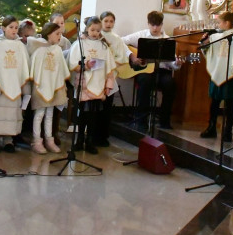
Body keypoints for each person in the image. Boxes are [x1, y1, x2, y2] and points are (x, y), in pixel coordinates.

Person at [65, 16, 116, 155]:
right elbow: (73, 64)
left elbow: (110, 68)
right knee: (82, 115)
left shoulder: (103, 46)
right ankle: (79, 139)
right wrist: (85, 65)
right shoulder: (80, 44)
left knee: (93, 115)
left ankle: (90, 141)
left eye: (98, 30)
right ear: (87, 29)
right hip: (84, 84)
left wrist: (108, 85)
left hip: (98, 83)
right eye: (92, 30)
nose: (95, 33)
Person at [123, 11, 180, 130]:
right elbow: (121, 41)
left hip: (162, 71)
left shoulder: (167, 40)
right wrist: (131, 56)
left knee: (170, 84)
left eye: (158, 25)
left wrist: (177, 64)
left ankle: (165, 120)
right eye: (152, 25)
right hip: (144, 70)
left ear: (162, 24)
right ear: (148, 24)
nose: (155, 28)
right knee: (145, 80)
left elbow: (172, 64)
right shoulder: (141, 35)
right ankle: (141, 119)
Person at [0, 16, 30, 153]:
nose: (14, 30)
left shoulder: (20, 46)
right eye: (11, 27)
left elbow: (25, 68)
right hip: (0, 87)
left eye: (16, 27)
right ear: (3, 28)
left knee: (11, 115)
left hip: (15, 86)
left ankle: (9, 140)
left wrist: (24, 88)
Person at [201, 12, 233, 141]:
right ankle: (211, 127)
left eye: (219, 22)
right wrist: (205, 42)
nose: (217, 25)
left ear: (227, 23)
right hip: (217, 71)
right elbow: (207, 49)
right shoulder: (216, 36)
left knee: (229, 102)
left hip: (231, 73)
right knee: (214, 101)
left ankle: (227, 130)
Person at [28, 22, 70, 154]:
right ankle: (36, 141)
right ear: (48, 34)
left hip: (53, 87)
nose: (59, 36)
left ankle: (49, 140)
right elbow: (35, 70)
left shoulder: (57, 50)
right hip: (41, 86)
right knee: (39, 114)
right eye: (57, 34)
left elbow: (61, 69)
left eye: (61, 34)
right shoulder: (39, 50)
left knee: (50, 115)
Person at [97, 11, 129, 147]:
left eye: (111, 21)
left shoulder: (116, 39)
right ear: (101, 22)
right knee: (95, 107)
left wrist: (110, 64)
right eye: (106, 21)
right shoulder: (96, 36)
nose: (109, 24)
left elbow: (122, 58)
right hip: (97, 76)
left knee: (107, 108)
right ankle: (92, 134)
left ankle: (103, 135)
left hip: (110, 76)